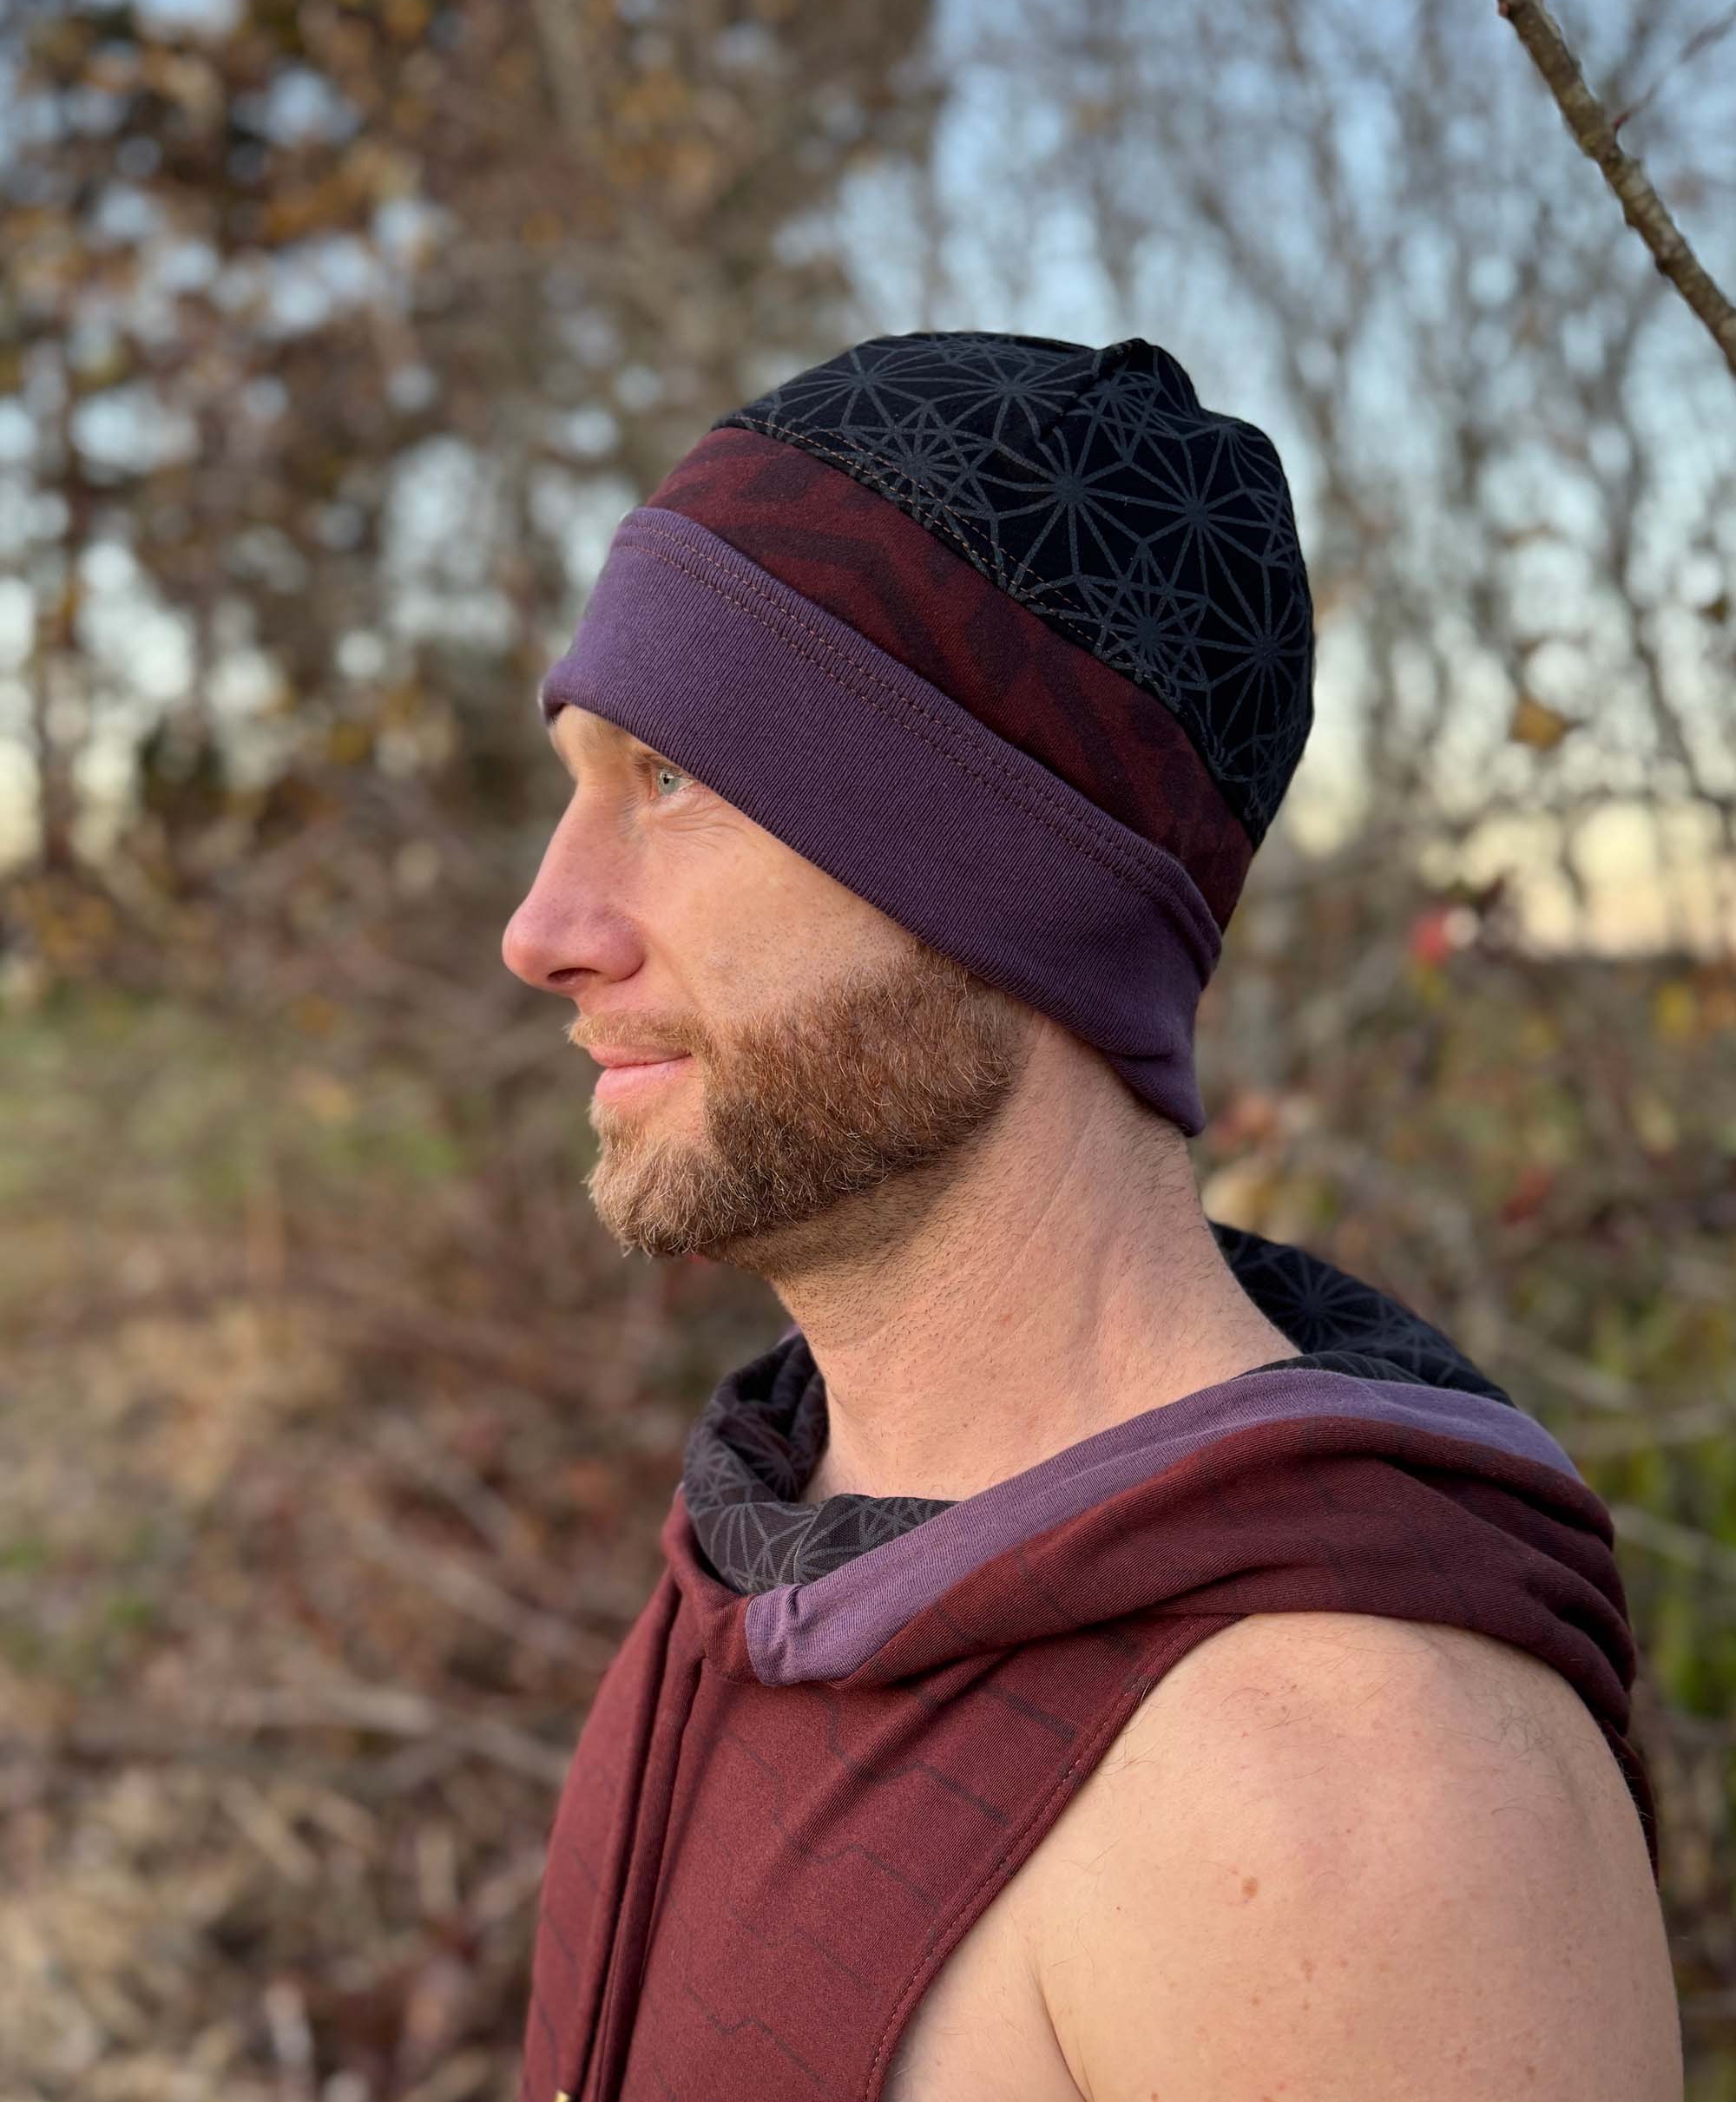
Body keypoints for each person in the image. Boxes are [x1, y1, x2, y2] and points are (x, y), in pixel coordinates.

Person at [500, 332, 1680, 2101]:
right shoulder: (765, 1543)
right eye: (578, 782)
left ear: (1001, 886)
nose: (544, 925)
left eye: (671, 778)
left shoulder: (1343, 1800)